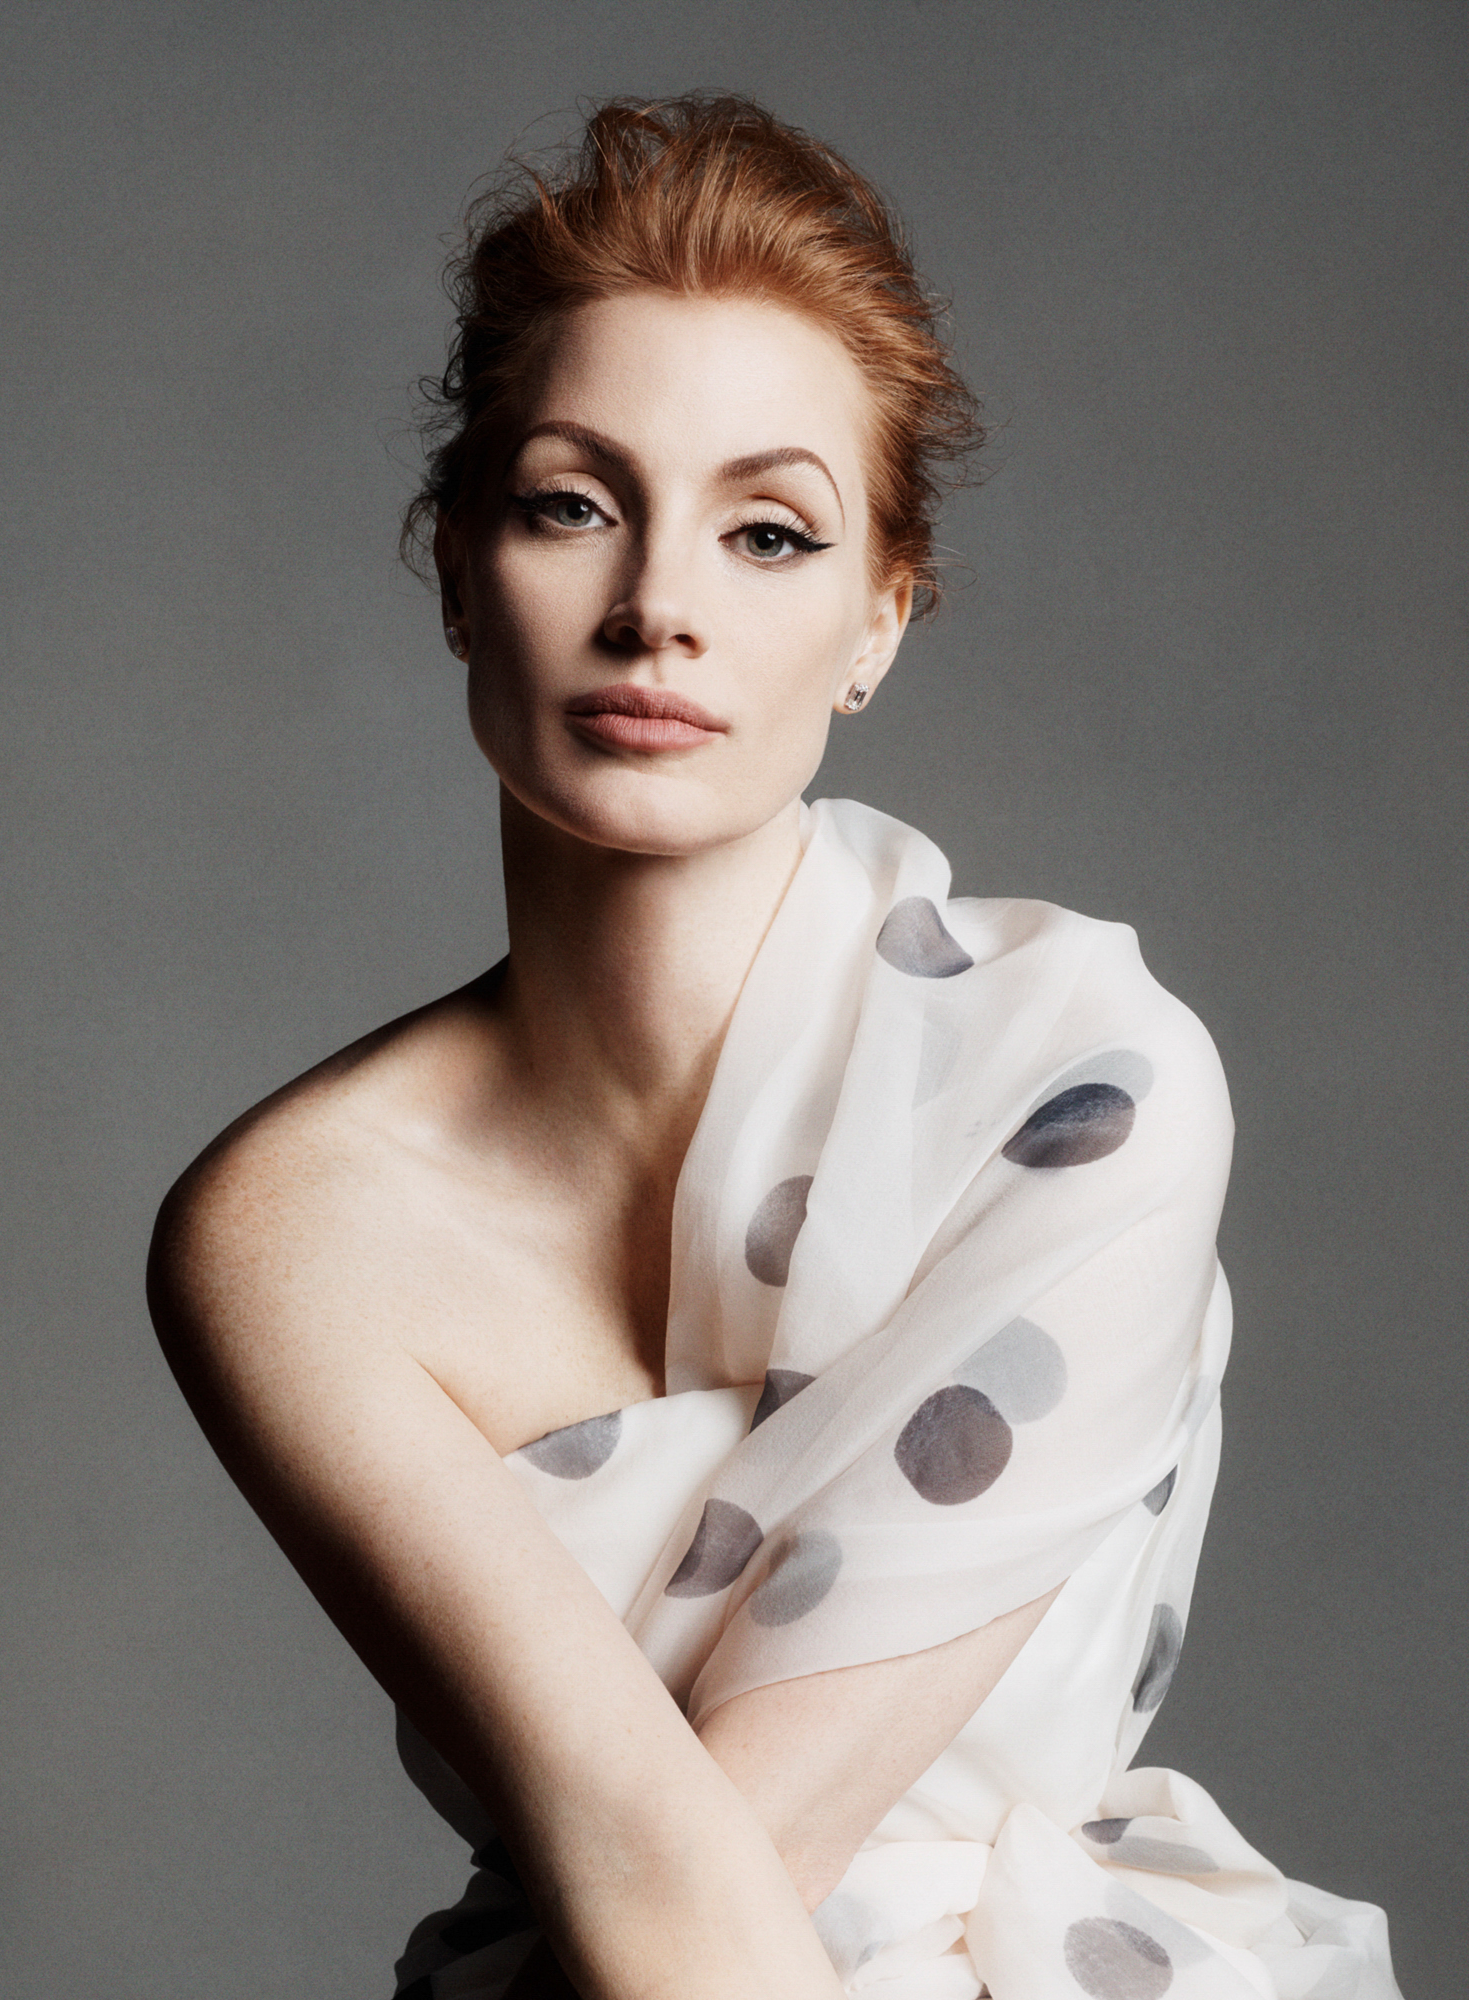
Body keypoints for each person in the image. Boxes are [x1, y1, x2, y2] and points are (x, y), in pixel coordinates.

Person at [147, 94, 1404, 2000]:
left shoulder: (1075, 1083)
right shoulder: (292, 1228)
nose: (658, 610)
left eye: (766, 532)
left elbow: (731, 1885)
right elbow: (637, 1866)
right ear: (455, 568)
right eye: (573, 504)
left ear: (877, 619)